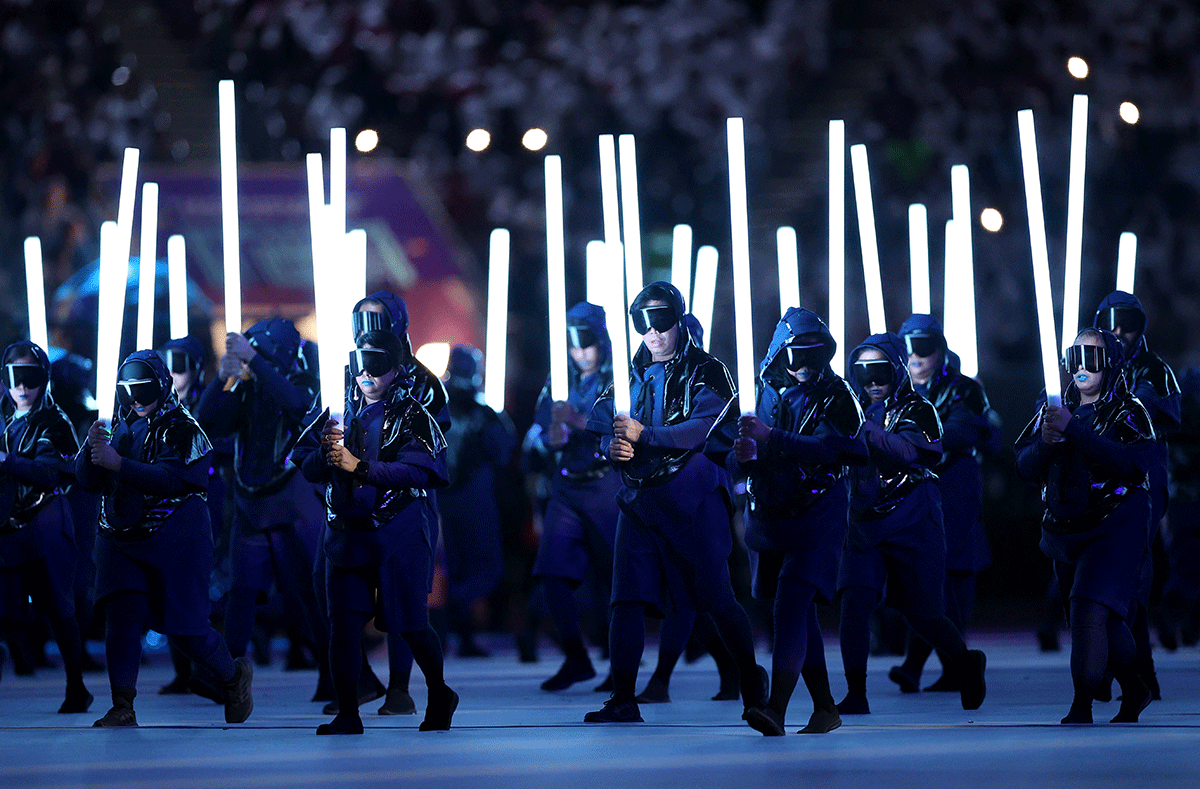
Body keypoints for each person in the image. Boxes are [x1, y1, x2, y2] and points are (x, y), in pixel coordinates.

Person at [583, 281, 766, 724]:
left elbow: (704, 428)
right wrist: (611, 448)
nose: (653, 332)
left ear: (679, 319)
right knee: (625, 599)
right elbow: (603, 426)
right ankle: (623, 697)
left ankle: (751, 685)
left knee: (715, 597)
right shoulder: (630, 374)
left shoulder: (709, 370)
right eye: (643, 323)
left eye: (661, 321)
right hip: (640, 501)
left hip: (695, 497)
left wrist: (645, 436)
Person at [707, 308, 867, 735]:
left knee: (790, 605)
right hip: (772, 518)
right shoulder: (761, 392)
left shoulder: (837, 393)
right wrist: (739, 456)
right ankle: (825, 707)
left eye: (815, 356)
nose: (805, 366)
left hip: (818, 516)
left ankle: (774, 708)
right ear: (780, 353)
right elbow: (723, 446)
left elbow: (836, 448)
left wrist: (771, 438)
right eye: (797, 355)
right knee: (799, 615)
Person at [77, 351, 252, 727]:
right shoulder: (118, 428)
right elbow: (88, 481)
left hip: (176, 538)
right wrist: (90, 449)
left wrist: (118, 463)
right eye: (129, 393)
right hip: (120, 537)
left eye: (144, 391)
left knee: (187, 632)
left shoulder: (184, 428)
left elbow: (175, 481)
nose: (136, 401)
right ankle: (122, 704)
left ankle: (233, 676)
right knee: (121, 617)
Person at [299, 330, 457, 735]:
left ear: (397, 369)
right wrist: (325, 451)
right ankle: (348, 712)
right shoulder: (336, 411)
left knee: (409, 622)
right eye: (361, 363)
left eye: (378, 364)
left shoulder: (413, 413)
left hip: (398, 532)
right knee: (344, 623)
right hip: (346, 534)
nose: (367, 373)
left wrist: (361, 467)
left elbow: (425, 470)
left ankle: (439, 693)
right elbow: (304, 464)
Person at [836, 332, 986, 715]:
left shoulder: (919, 409)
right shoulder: (847, 408)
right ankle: (856, 692)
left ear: (896, 370)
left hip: (913, 520)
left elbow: (908, 452)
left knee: (923, 613)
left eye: (880, 371)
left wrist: (861, 427)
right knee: (854, 601)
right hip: (864, 525)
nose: (872, 381)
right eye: (862, 372)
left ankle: (966, 663)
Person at [1015, 328, 1155, 724]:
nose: (1081, 365)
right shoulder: (1054, 407)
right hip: (1065, 529)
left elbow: (1130, 463)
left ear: (1109, 362)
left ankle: (1082, 705)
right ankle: (1135, 689)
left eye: (1091, 356)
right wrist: (1046, 441)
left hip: (1117, 523)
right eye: (1075, 355)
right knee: (1103, 618)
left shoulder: (1129, 409)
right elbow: (1023, 466)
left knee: (1087, 607)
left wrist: (1073, 430)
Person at [197, 319, 331, 698]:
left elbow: (299, 406)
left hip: (292, 500)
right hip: (250, 501)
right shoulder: (247, 386)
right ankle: (229, 675)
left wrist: (255, 360)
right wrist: (222, 377)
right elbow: (208, 420)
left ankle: (333, 672)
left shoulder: (305, 380)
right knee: (241, 591)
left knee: (309, 593)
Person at [889, 315, 993, 693]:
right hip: (908, 488)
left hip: (954, 486)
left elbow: (970, 431)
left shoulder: (963, 388)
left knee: (950, 569)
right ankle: (933, 664)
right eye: (908, 346)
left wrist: (911, 438)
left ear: (941, 348)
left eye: (924, 346)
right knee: (921, 575)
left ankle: (929, 665)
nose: (915, 356)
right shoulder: (892, 386)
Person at [1093, 292, 1180, 699]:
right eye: (1111, 322)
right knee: (1110, 579)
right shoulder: (1092, 363)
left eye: (1128, 322)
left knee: (1132, 578)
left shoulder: (1153, 370)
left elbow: (1141, 407)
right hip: (1101, 482)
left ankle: (1129, 673)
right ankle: (1131, 672)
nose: (1119, 331)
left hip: (1144, 481)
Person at [529, 302, 619, 691]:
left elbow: (629, 428)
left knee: (615, 579)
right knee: (551, 570)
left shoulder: (620, 380)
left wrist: (580, 425)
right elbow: (538, 430)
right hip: (567, 484)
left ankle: (621, 666)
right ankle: (576, 657)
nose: (579, 352)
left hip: (606, 485)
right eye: (572, 344)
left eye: (586, 343)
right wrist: (550, 439)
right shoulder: (560, 380)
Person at [0, 340, 93, 713]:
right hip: (7, 529)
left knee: (57, 607)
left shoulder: (54, 422)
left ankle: (76, 686)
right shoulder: (5, 420)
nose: (22, 387)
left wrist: (6, 461)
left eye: (30, 377)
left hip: (44, 524)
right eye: (14, 378)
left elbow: (50, 474)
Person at [438, 345, 512, 657]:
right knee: (481, 567)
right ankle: (455, 628)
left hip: (445, 499)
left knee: (457, 568)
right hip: (470, 500)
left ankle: (455, 631)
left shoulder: (436, 406)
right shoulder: (482, 412)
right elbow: (504, 451)